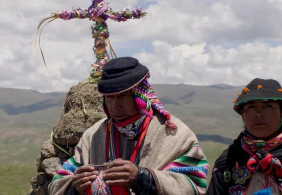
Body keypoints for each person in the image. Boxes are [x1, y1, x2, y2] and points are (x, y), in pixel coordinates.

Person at [48, 57, 208, 195]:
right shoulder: (93, 136)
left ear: (141, 95)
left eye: (124, 95)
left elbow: (195, 183)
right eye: (110, 97)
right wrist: (75, 187)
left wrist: (143, 178)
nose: (115, 106)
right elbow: (58, 182)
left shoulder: (174, 134)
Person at [207, 78, 282, 195]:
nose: (258, 113)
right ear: (242, 115)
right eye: (251, 107)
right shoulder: (228, 161)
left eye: (268, 106)